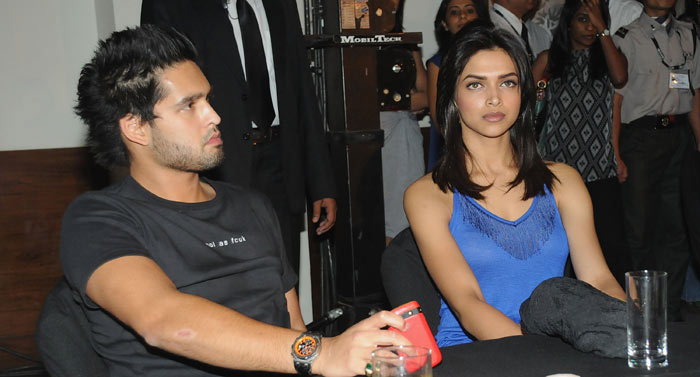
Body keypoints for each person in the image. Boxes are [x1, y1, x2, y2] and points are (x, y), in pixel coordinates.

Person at [61, 24, 408, 377]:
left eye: (207, 99)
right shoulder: (97, 220)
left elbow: (294, 331)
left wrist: (323, 355)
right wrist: (323, 353)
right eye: (189, 105)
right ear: (135, 127)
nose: (214, 116)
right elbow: (163, 320)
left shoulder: (251, 206)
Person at [404, 22, 625, 347]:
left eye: (507, 83)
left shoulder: (564, 181)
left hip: (561, 351)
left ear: (523, 92)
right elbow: (469, 305)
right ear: (452, 95)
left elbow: (598, 279)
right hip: (474, 354)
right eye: (476, 85)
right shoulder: (427, 195)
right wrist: (546, 357)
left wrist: (628, 330)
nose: (494, 98)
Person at [141, 0, 337, 275]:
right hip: (213, 167)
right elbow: (157, 92)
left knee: (283, 280)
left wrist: (321, 181)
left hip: (281, 163)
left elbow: (301, 84)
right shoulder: (170, 6)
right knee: (226, 284)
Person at [532, 0, 631, 286]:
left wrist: (604, 31)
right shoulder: (548, 59)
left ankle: (616, 312)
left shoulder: (609, 57)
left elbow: (621, 79)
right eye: (583, 19)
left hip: (599, 165)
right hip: (557, 167)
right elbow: (523, 107)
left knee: (610, 245)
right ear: (567, 23)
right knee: (560, 249)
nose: (590, 27)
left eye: (596, 21)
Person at [612, 0, 700, 321]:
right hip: (641, 140)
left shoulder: (689, 35)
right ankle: (641, 310)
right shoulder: (627, 36)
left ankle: (670, 306)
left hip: (678, 138)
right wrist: (616, 153)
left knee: (678, 227)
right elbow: (616, 101)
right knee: (641, 228)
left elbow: (694, 93)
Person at [380, 0, 428, 245]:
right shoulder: (352, 39)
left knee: (400, 224)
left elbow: (427, 94)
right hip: (361, 137)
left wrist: (385, 102)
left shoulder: (405, 41)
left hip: (401, 135)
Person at [427, 0, 491, 171]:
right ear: (444, 24)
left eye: (469, 10)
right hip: (452, 147)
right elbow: (440, 121)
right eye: (455, 12)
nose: (463, 16)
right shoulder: (438, 64)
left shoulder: (492, 57)